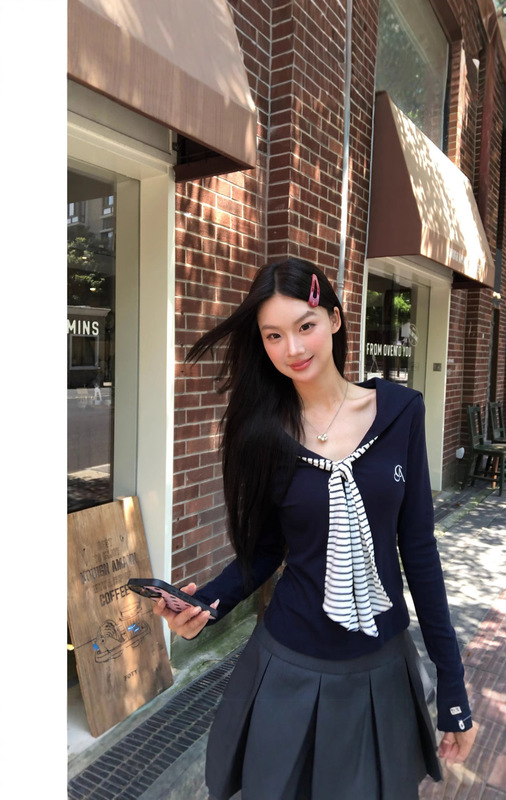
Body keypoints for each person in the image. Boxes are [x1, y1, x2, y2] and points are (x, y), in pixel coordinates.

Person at [154, 258, 476, 800]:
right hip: (288, 665)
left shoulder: (400, 413)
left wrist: (453, 683)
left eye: (305, 325)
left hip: (380, 668)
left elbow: (419, 549)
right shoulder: (262, 433)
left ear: (335, 319)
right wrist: (206, 606)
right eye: (273, 336)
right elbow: (265, 549)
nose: (294, 348)